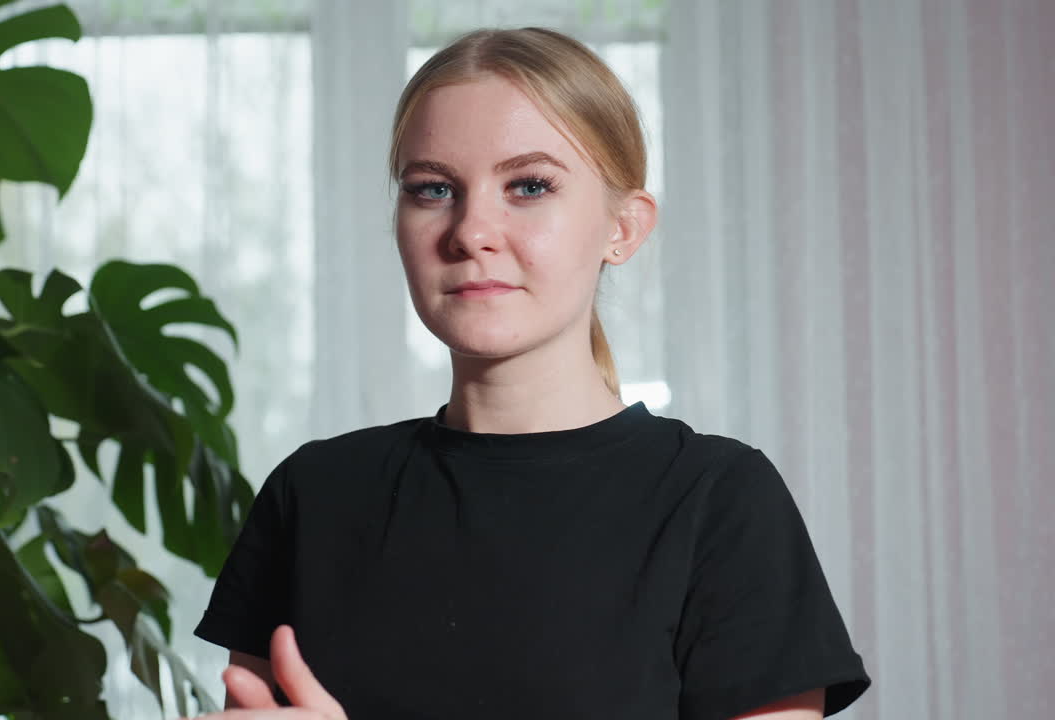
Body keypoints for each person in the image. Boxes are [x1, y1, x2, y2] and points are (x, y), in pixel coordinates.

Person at [192, 27, 870, 720]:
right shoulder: (314, 495)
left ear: (624, 229)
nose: (470, 231)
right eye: (432, 189)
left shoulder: (719, 502)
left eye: (529, 186)